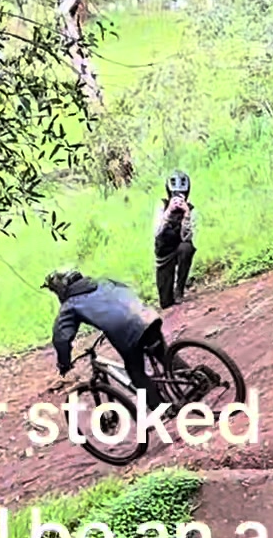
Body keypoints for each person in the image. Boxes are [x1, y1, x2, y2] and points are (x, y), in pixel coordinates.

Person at [42, 268, 166, 409]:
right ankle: (187, 381)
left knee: (136, 372)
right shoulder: (103, 281)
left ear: (61, 289)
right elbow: (126, 292)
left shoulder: (70, 305)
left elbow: (61, 339)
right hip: (147, 316)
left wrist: (64, 363)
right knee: (164, 354)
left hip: (128, 333)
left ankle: (162, 410)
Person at [153, 170, 196, 310]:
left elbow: (187, 238)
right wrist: (168, 213)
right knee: (166, 303)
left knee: (186, 248)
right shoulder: (162, 206)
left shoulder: (191, 210)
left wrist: (186, 215)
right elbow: (157, 233)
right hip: (164, 253)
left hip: (179, 248)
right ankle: (169, 294)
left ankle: (180, 289)